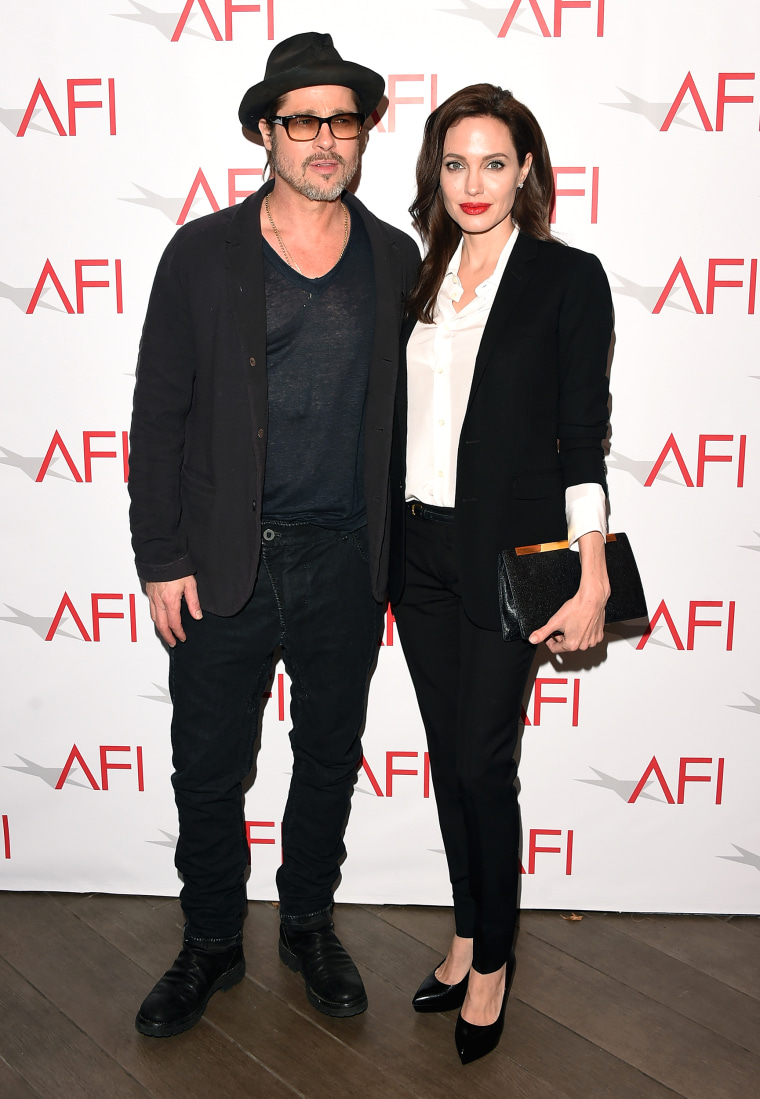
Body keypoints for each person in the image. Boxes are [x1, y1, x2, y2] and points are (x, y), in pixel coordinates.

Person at [128, 31, 419, 1037]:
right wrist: (160, 555)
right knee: (209, 767)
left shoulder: (394, 256)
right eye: (304, 120)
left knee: (329, 756)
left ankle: (306, 922)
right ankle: (210, 941)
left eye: (343, 119)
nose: (326, 138)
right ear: (266, 130)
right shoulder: (203, 252)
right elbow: (158, 411)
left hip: (345, 558)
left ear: (362, 131)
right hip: (221, 564)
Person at [389, 84, 613, 1064]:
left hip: (508, 561)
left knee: (485, 762)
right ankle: (466, 932)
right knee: (451, 758)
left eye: (491, 161)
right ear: (433, 174)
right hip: (417, 555)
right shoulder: (416, 276)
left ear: (524, 168)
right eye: (453, 162)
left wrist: (591, 570)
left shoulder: (567, 279)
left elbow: (582, 438)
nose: (471, 182)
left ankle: (493, 962)